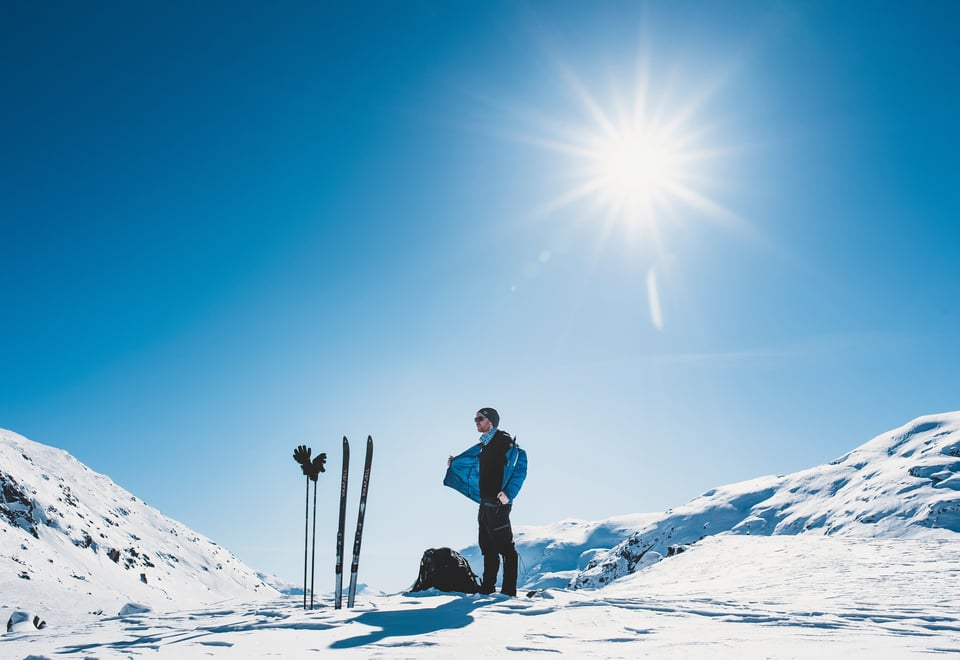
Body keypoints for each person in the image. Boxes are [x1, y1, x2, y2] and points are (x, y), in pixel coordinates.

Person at [444, 407, 527, 596]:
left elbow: (520, 470)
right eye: (475, 419)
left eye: (479, 419)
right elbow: (473, 464)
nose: (476, 422)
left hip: (498, 503)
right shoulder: (484, 446)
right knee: (487, 547)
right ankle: (487, 589)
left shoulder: (504, 442)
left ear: (491, 421)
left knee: (506, 548)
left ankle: (508, 591)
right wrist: (456, 462)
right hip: (485, 501)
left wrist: (508, 493)